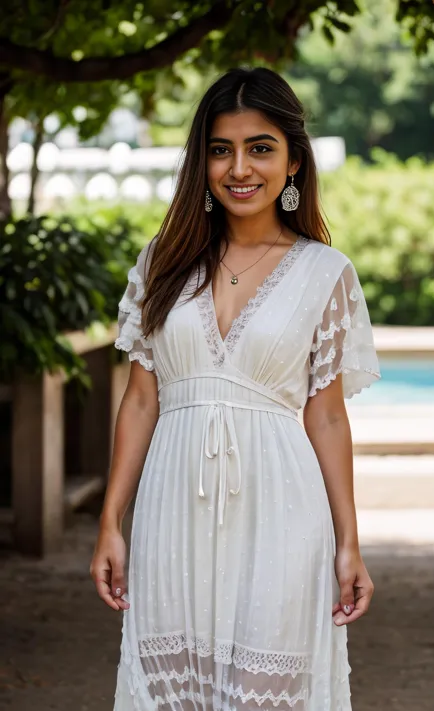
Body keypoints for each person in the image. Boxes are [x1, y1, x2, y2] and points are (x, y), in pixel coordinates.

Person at [90, 66, 381, 711]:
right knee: (174, 687)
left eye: (261, 147)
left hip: (283, 508)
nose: (239, 168)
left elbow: (327, 417)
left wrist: (349, 543)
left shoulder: (325, 273)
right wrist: (111, 522)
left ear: (294, 163)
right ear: (201, 161)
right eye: (221, 149)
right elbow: (141, 399)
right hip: (171, 508)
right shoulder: (162, 262)